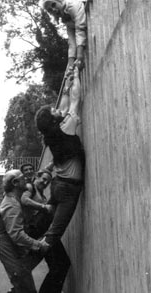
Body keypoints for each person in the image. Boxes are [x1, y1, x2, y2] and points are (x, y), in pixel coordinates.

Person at [0, 169, 49, 293]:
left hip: (11, 253)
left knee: (19, 286)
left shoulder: (13, 200)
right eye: (21, 178)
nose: (26, 179)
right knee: (26, 292)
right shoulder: (11, 205)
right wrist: (38, 244)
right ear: (15, 184)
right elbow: (16, 234)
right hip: (12, 255)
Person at [35, 66, 85, 248]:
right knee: (54, 232)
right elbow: (74, 100)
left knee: (47, 222)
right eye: (53, 111)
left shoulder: (52, 133)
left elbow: (63, 105)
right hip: (68, 189)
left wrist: (66, 83)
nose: (56, 109)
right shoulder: (66, 128)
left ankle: (28, 238)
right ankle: (26, 260)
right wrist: (77, 75)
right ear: (53, 120)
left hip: (58, 185)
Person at [21, 169, 71, 293]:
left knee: (62, 265)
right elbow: (24, 200)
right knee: (59, 266)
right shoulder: (30, 187)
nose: (45, 182)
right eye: (43, 179)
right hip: (37, 234)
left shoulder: (42, 194)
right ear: (36, 177)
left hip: (45, 232)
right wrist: (43, 207)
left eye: (47, 181)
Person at [40, 0, 87, 72]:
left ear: (59, 1)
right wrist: (70, 65)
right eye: (50, 10)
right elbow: (71, 40)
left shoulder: (72, 6)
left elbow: (80, 29)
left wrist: (80, 57)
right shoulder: (64, 17)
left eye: (53, 5)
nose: (53, 9)